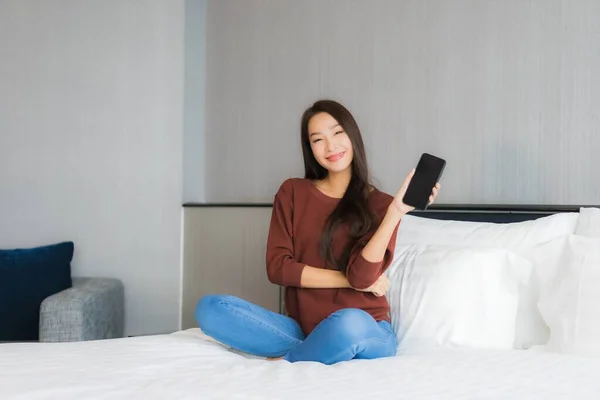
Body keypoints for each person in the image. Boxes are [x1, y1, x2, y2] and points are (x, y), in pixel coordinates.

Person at [195, 99, 440, 365]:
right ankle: (315, 349)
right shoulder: (292, 192)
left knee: (349, 323)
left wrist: (395, 212)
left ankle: (289, 362)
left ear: (352, 135)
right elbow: (278, 268)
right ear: (310, 148)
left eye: (337, 133)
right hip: (302, 329)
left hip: (364, 328)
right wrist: (346, 280)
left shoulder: (381, 204)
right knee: (211, 308)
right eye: (317, 139)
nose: (330, 146)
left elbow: (362, 276)